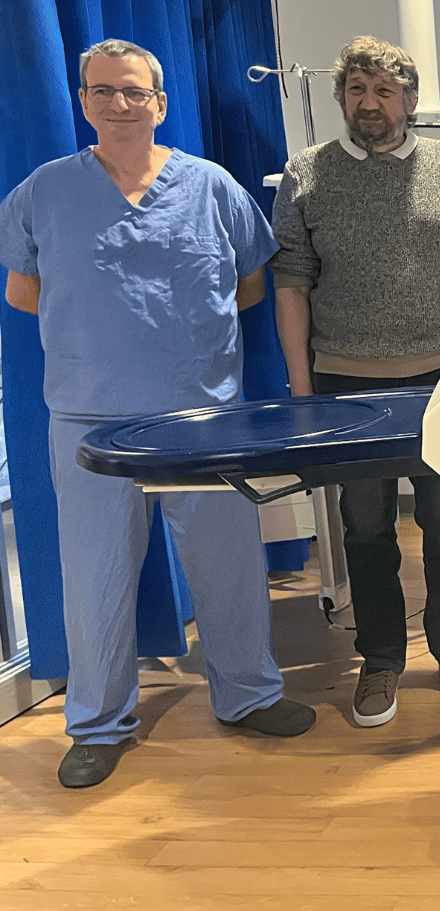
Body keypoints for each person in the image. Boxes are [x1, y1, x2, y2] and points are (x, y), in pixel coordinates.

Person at [0, 39, 315, 788]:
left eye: (133, 92)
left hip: (202, 416)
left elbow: (247, 286)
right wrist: (103, 335)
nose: (118, 103)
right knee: (97, 577)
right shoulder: (43, 192)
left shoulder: (211, 188)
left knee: (230, 568)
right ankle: (99, 724)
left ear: (160, 104)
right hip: (89, 420)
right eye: (102, 91)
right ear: (83, 101)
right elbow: (23, 293)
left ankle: (247, 695)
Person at [272, 36, 440, 727]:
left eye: (383, 91)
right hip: (347, 377)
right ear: (341, 96)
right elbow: (291, 283)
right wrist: (302, 390)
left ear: (409, 99)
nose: (369, 104)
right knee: (365, 527)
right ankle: (379, 659)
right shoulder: (307, 174)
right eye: (356, 90)